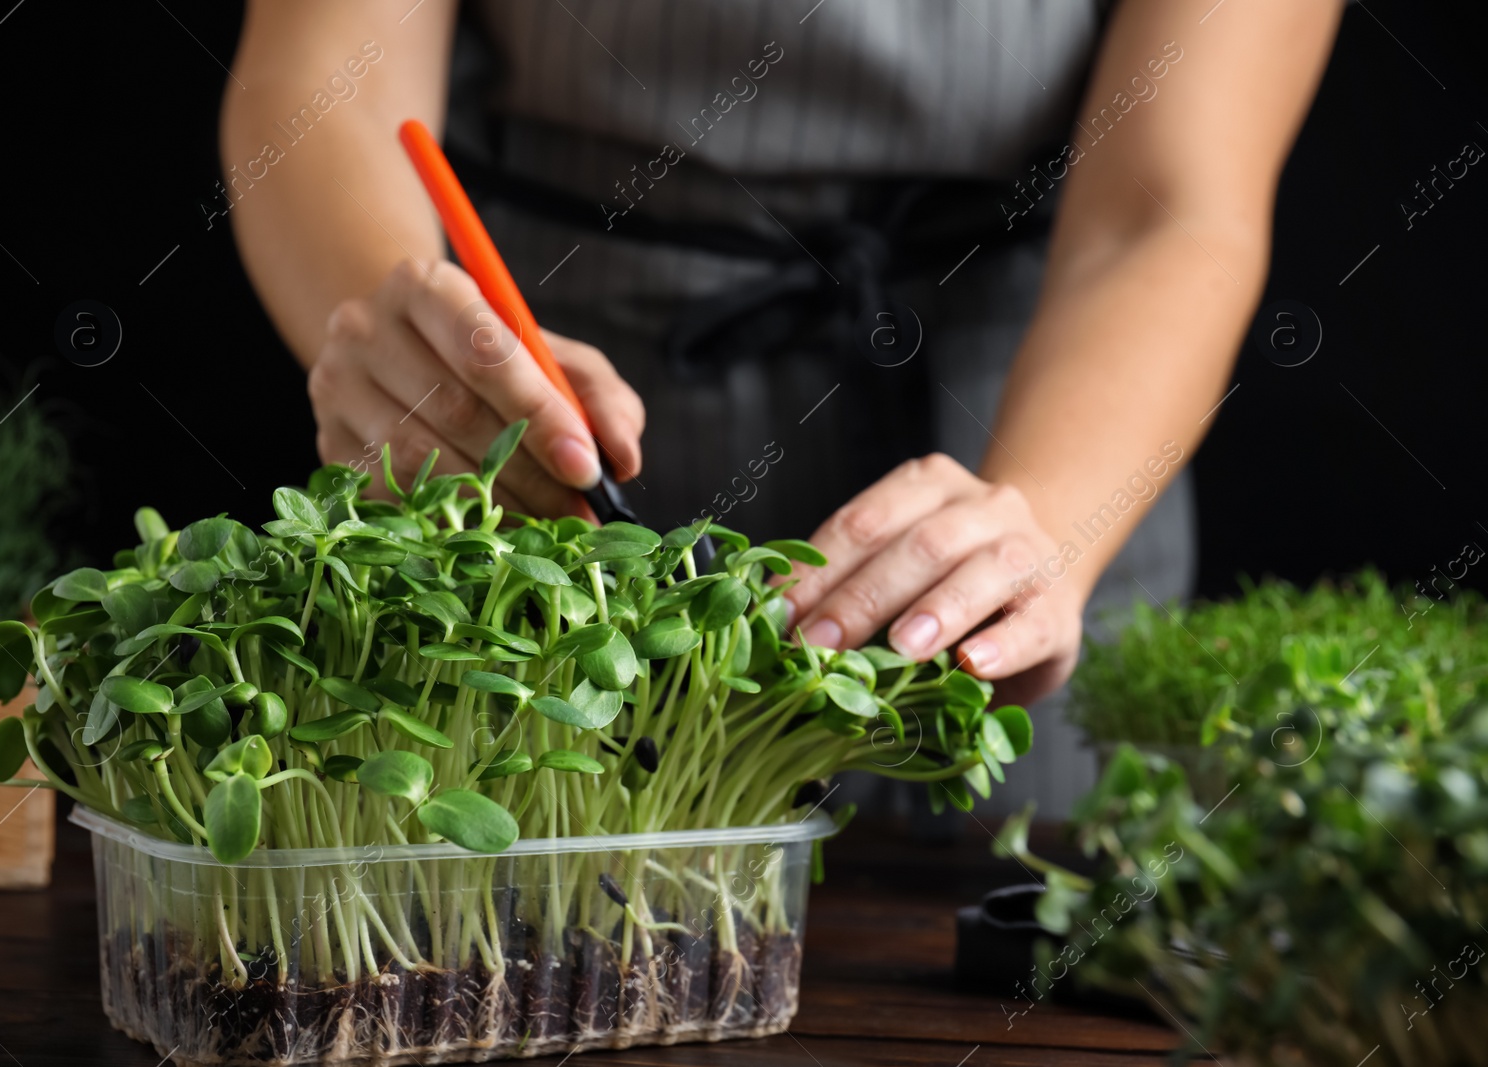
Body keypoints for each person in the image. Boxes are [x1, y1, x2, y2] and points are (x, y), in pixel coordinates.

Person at [221, 0, 1342, 817]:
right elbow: (327, 86)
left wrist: (1045, 517)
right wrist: (385, 316)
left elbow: (1166, 206)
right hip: (558, 421)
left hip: (1034, 434)